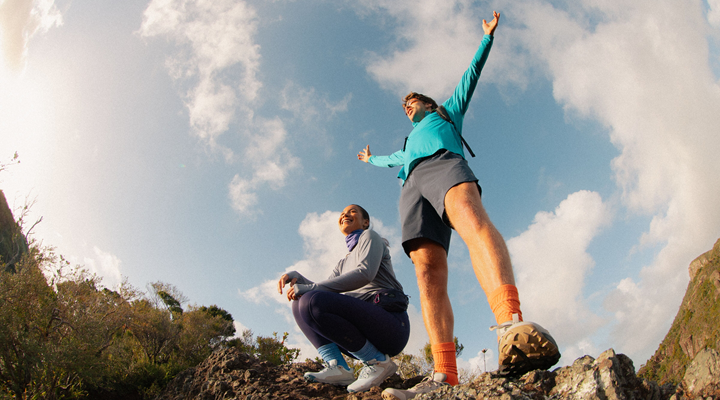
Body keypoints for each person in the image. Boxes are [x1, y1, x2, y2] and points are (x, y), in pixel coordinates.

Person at [357, 11, 560, 400]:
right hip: (411, 184)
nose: (407, 104)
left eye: (412, 100)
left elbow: (471, 75)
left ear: (428, 103)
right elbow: (390, 161)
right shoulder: (404, 145)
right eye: (404, 104)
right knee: (427, 270)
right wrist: (370, 160)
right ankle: (444, 374)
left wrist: (486, 39)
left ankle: (510, 324)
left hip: (444, 163)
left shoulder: (446, 112)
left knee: (470, 219)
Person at [278, 204, 410, 393]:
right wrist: (298, 277)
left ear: (366, 222)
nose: (345, 215)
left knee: (311, 299)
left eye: (352, 211)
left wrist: (310, 288)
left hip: (391, 326)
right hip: (362, 332)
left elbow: (365, 273)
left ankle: (377, 362)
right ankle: (338, 366)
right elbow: (323, 290)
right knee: (300, 301)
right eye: (342, 213)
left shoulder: (370, 237)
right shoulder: (343, 262)